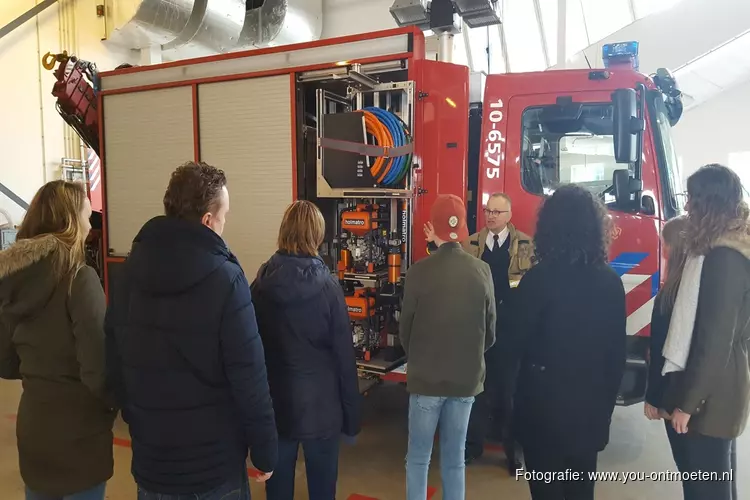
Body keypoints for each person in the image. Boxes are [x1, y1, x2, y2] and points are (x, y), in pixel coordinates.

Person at [105, 161, 278, 499]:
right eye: (224, 215)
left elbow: (114, 358)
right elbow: (249, 377)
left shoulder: (129, 273)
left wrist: (139, 419)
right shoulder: (226, 280)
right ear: (208, 220)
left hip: (153, 466)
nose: (225, 224)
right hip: (214, 470)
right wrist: (266, 451)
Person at [0, 181, 115, 500]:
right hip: (79, 437)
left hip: (34, 430)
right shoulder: (80, 279)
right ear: (69, 221)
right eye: (86, 216)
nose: (90, 224)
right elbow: (99, 369)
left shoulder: (13, 279)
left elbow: (5, 361)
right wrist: (112, 407)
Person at [512, 185, 626, 500]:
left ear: (548, 228)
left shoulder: (536, 280)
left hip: (542, 416)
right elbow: (616, 358)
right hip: (588, 416)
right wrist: (604, 412)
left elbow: (513, 348)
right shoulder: (611, 283)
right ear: (595, 229)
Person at [251, 200, 361, 500]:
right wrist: (352, 419)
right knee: (323, 489)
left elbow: (249, 352)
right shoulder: (328, 288)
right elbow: (344, 358)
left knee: (278, 490)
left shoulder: (259, 285)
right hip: (322, 411)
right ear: (317, 235)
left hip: (276, 408)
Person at [659, 164, 749, 500]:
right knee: (716, 482)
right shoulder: (722, 249)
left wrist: (688, 404)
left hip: (712, 394)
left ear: (708, 203)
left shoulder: (724, 258)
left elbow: (715, 340)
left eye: (692, 199)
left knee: (706, 488)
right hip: (720, 386)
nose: (686, 207)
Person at [401, 193, 496, 500]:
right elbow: (490, 333)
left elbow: (406, 331)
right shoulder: (482, 271)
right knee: (454, 460)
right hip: (465, 381)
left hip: (426, 380)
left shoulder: (418, 272)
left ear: (434, 228)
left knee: (418, 458)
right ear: (464, 228)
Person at [431, 192, 534, 470]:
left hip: (511, 332)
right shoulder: (472, 243)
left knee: (510, 393)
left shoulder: (525, 244)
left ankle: (514, 454)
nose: (490, 216)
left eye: (496, 212)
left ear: (508, 216)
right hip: (478, 329)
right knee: (477, 392)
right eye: (488, 211)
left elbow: (533, 288)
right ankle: (472, 446)